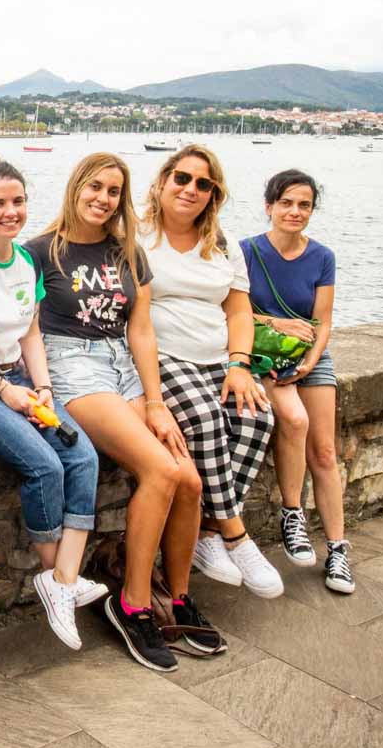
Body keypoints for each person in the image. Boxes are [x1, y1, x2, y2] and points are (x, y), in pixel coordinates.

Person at [25, 153, 204, 673]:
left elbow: (141, 330)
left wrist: (155, 401)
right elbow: (22, 327)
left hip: (123, 366)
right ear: (76, 186)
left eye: (113, 191)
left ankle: (180, 597)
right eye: (95, 187)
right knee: (161, 470)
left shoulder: (127, 250)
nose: (103, 199)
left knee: (189, 482)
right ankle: (134, 604)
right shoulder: (39, 252)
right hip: (72, 367)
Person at [0, 157, 108, 651]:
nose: (10, 211)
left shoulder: (28, 260)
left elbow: (32, 332)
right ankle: (53, 577)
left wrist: (42, 388)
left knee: (82, 455)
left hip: (20, 380)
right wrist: (2, 388)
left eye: (17, 201)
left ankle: (64, 577)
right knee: (44, 466)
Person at [138, 146, 283, 611]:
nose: (191, 189)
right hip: (165, 356)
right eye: (182, 178)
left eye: (204, 184)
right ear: (163, 181)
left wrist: (240, 364)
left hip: (219, 358)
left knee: (257, 417)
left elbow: (239, 310)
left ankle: (205, 531)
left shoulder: (222, 244)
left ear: (213, 195)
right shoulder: (137, 236)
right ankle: (236, 535)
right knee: (203, 420)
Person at [243, 169, 351, 594]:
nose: (295, 211)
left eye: (304, 204)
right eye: (286, 202)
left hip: (309, 357)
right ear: (269, 206)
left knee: (324, 452)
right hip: (267, 355)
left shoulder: (322, 257)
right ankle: (293, 515)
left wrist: (309, 359)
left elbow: (323, 320)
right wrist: (278, 322)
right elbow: (233, 312)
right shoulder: (248, 251)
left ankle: (338, 550)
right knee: (295, 421)